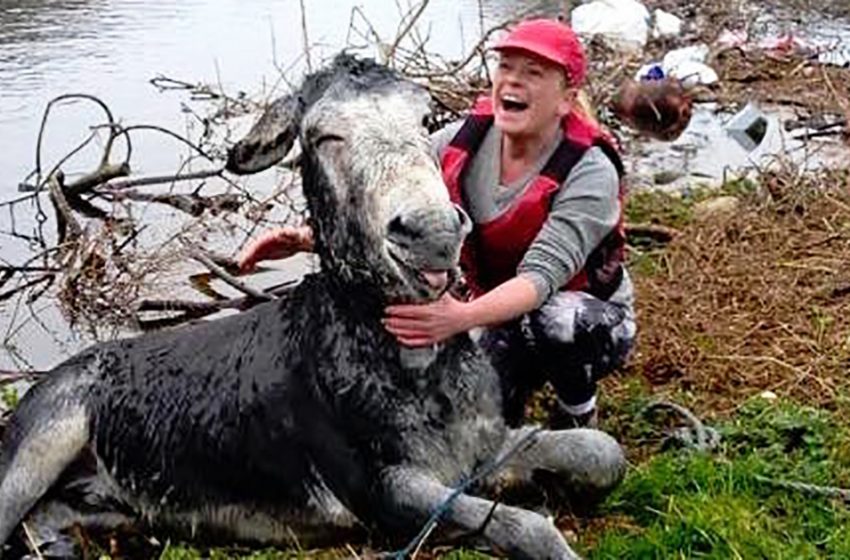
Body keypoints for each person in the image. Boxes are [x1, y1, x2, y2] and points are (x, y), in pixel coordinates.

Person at [238, 18, 641, 429]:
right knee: (467, 409)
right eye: (506, 68)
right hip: (493, 307)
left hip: (582, 313)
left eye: (533, 73)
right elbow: (397, 209)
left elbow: (541, 278)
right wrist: (309, 239)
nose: (512, 82)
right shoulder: (459, 141)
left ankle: (578, 409)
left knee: (559, 321)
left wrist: (458, 319)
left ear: (565, 99)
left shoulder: (590, 170)